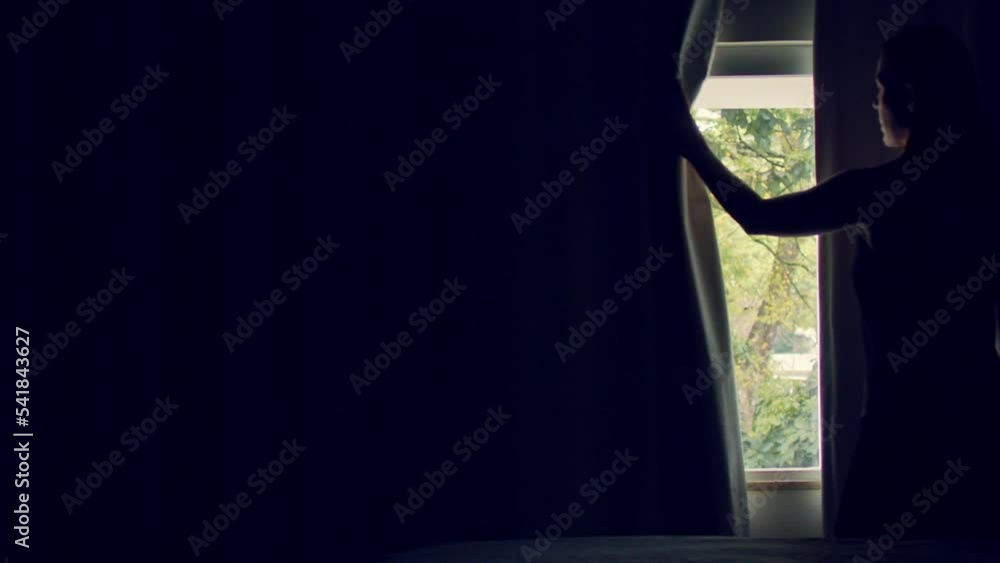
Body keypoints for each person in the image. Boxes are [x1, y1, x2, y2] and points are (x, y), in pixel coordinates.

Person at [670, 24, 1000, 538]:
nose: (874, 103)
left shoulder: (876, 192)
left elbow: (757, 215)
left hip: (899, 427)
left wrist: (689, 141)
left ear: (908, 97)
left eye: (880, 86)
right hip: (979, 419)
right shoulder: (983, 189)